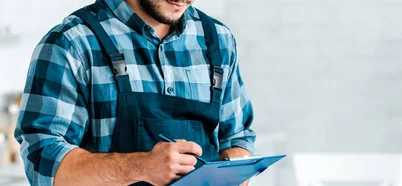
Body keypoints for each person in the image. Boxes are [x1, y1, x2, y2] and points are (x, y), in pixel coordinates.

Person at [15, 0, 256, 185]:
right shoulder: (73, 43)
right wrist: (142, 167)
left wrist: (236, 167)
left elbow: (236, 135)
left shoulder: (218, 39)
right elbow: (42, 161)